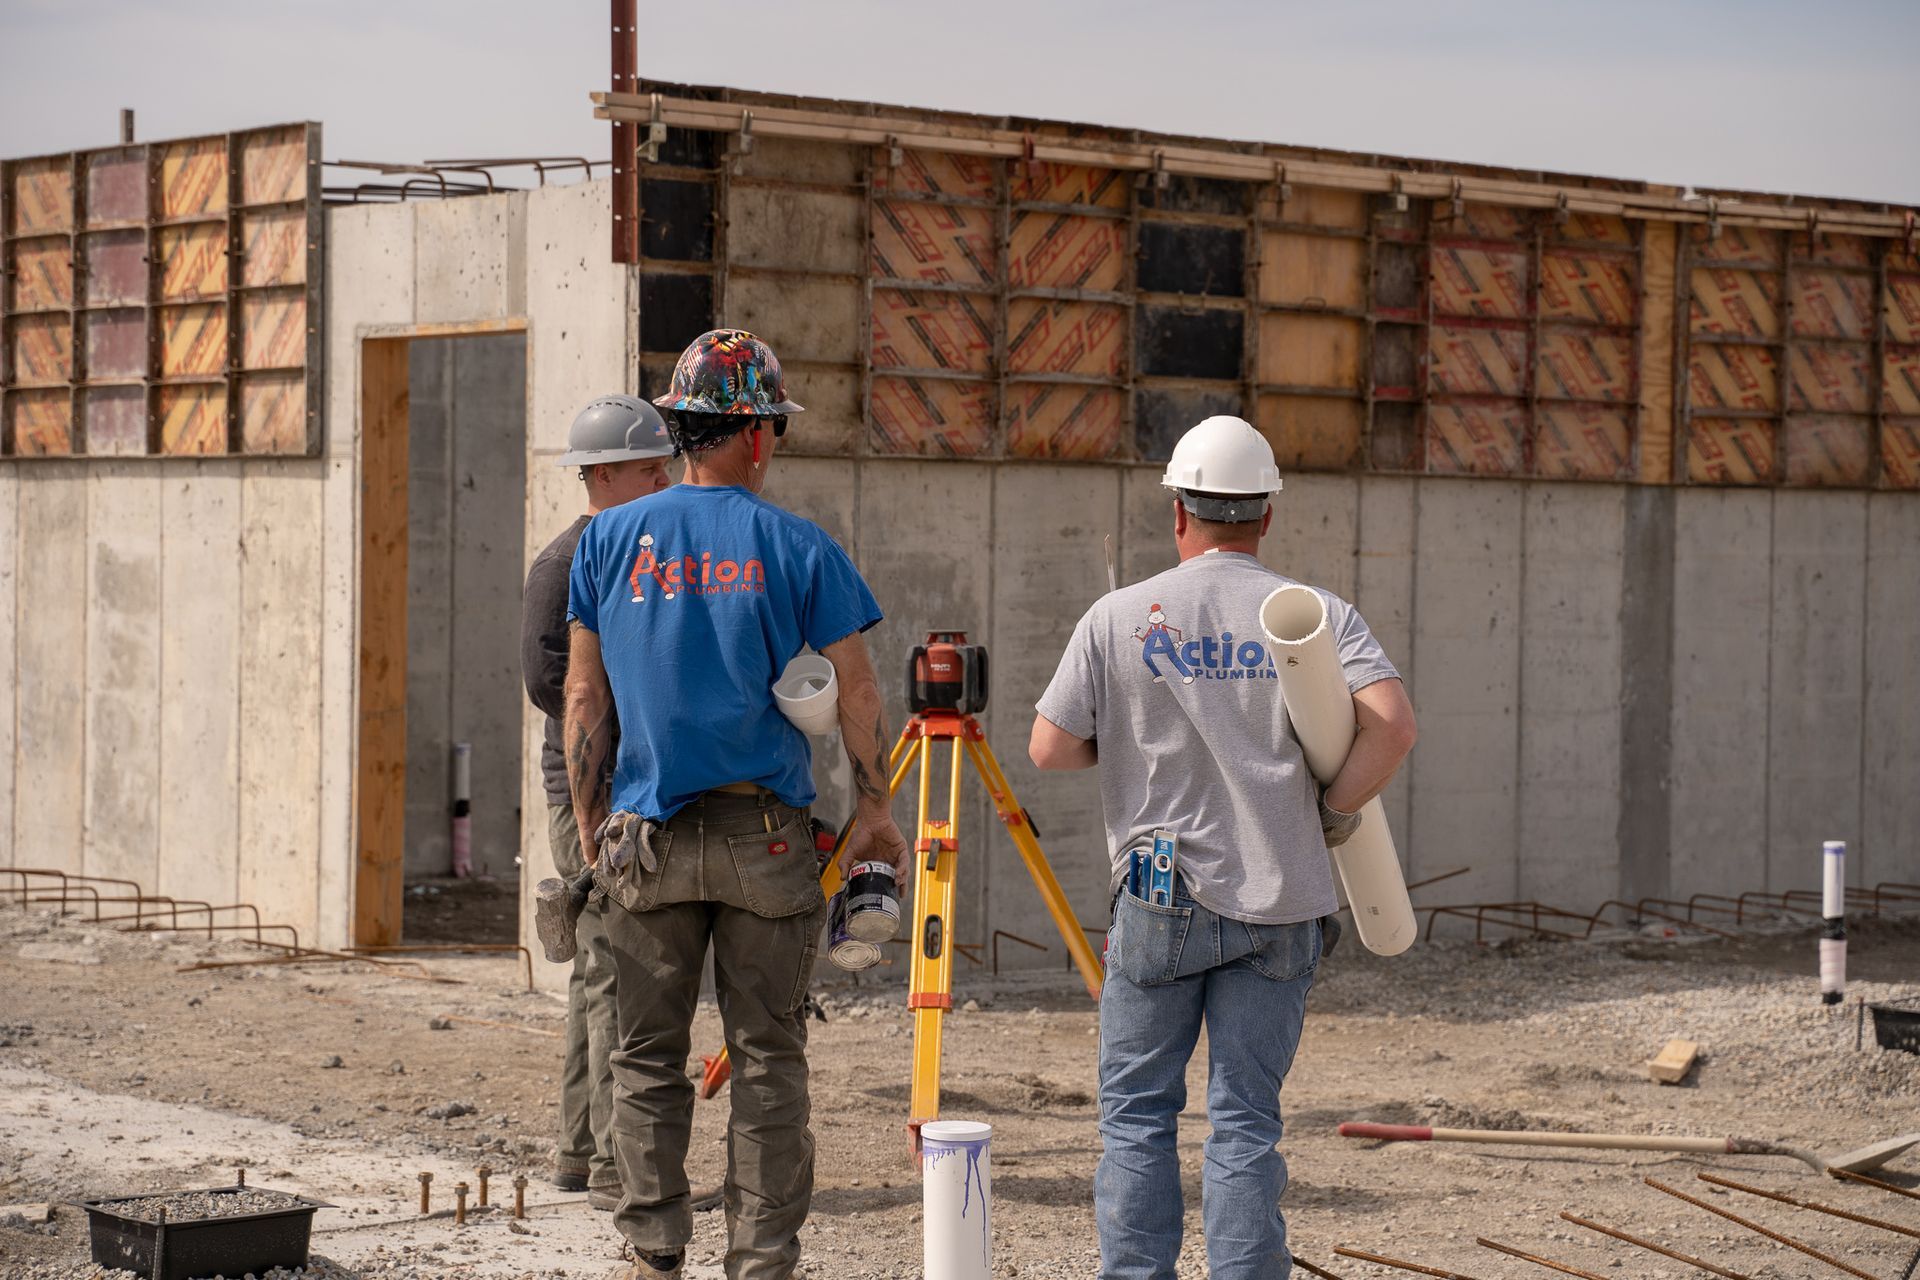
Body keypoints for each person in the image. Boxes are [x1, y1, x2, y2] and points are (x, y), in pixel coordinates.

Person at [1029, 415, 1417, 1280]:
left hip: (1161, 897)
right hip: (1281, 896)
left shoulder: (1119, 615)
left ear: (1178, 512)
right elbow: (1392, 727)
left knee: (1137, 1115)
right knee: (1245, 1120)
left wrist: (1128, 739)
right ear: (1267, 516)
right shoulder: (1315, 618)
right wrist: (1330, 805)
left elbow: (1049, 748)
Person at [564, 329, 912, 1280]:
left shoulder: (606, 539)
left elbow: (585, 703)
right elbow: (859, 694)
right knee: (767, 1060)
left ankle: (654, 1251)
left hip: (647, 837)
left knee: (643, 1057)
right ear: (754, 435)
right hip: (764, 840)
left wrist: (595, 832)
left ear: (682, 430)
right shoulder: (797, 545)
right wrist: (875, 810)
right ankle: (759, 1263)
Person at [521, 395, 674, 1207]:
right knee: (617, 973)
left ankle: (579, 1152)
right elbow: (553, 684)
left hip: (629, 790)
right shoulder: (565, 562)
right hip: (587, 797)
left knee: (597, 976)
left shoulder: (649, 551)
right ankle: (619, 1166)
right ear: (604, 475)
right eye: (651, 470)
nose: (666, 480)